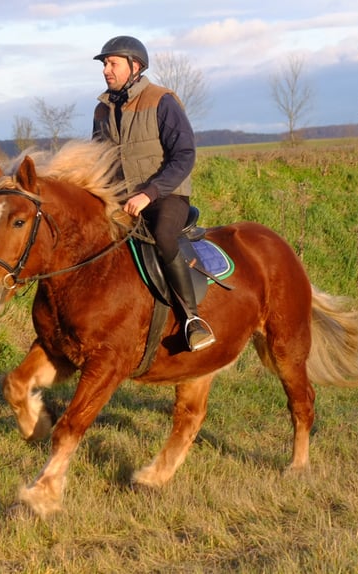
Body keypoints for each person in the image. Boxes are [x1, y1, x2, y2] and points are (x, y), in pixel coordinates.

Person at [92, 35, 216, 352]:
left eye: (112, 63)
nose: (106, 69)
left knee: (163, 235)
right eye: (105, 64)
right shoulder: (102, 111)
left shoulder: (162, 101)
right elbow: (97, 160)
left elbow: (185, 155)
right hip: (121, 201)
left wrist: (150, 193)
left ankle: (193, 319)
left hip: (166, 196)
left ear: (135, 66)